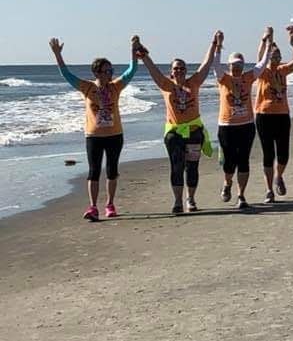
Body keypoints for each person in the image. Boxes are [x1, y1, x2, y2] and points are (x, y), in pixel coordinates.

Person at [49, 35, 140, 221]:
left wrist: (133, 51)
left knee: (112, 170)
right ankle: (92, 207)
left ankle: (110, 204)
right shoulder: (87, 87)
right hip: (94, 136)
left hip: (114, 135)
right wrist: (58, 54)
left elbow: (131, 71)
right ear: (97, 73)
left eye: (111, 70)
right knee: (94, 171)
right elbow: (66, 74)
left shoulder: (115, 87)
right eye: (107, 71)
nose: (110, 74)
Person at [139, 31, 219, 213]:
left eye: (182, 68)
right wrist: (142, 53)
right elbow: (152, 69)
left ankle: (191, 199)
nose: (179, 71)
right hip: (174, 133)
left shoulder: (194, 82)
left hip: (194, 132)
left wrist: (214, 44)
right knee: (177, 166)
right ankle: (177, 201)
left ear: (186, 70)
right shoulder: (166, 85)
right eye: (176, 68)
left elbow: (206, 64)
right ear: (171, 72)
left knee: (192, 167)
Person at [214, 33, 271, 210]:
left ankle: (241, 195)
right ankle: (227, 183)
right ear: (229, 66)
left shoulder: (248, 77)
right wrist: (218, 45)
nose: (237, 68)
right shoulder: (223, 78)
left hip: (246, 126)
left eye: (239, 65)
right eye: (234, 65)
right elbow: (215, 63)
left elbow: (263, 63)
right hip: (226, 126)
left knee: (243, 160)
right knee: (229, 162)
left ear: (243, 65)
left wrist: (268, 42)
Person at [254, 24, 293, 203]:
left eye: (278, 55)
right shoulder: (262, 71)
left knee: (283, 154)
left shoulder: (282, 70)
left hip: (282, 116)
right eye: (272, 55)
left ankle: (278, 176)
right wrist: (266, 38)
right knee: (268, 154)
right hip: (264, 116)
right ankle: (269, 190)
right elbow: (260, 55)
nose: (275, 57)